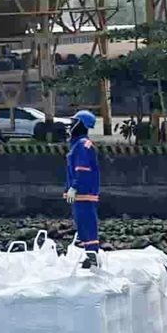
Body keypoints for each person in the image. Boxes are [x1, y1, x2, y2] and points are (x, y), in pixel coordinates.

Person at [63, 110, 101, 265]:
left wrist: (74, 187)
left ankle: (92, 255)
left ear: (81, 125)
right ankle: (89, 254)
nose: (70, 126)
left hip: (84, 192)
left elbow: (82, 169)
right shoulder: (77, 144)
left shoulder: (82, 145)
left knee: (87, 223)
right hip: (80, 194)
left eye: (74, 123)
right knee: (82, 224)